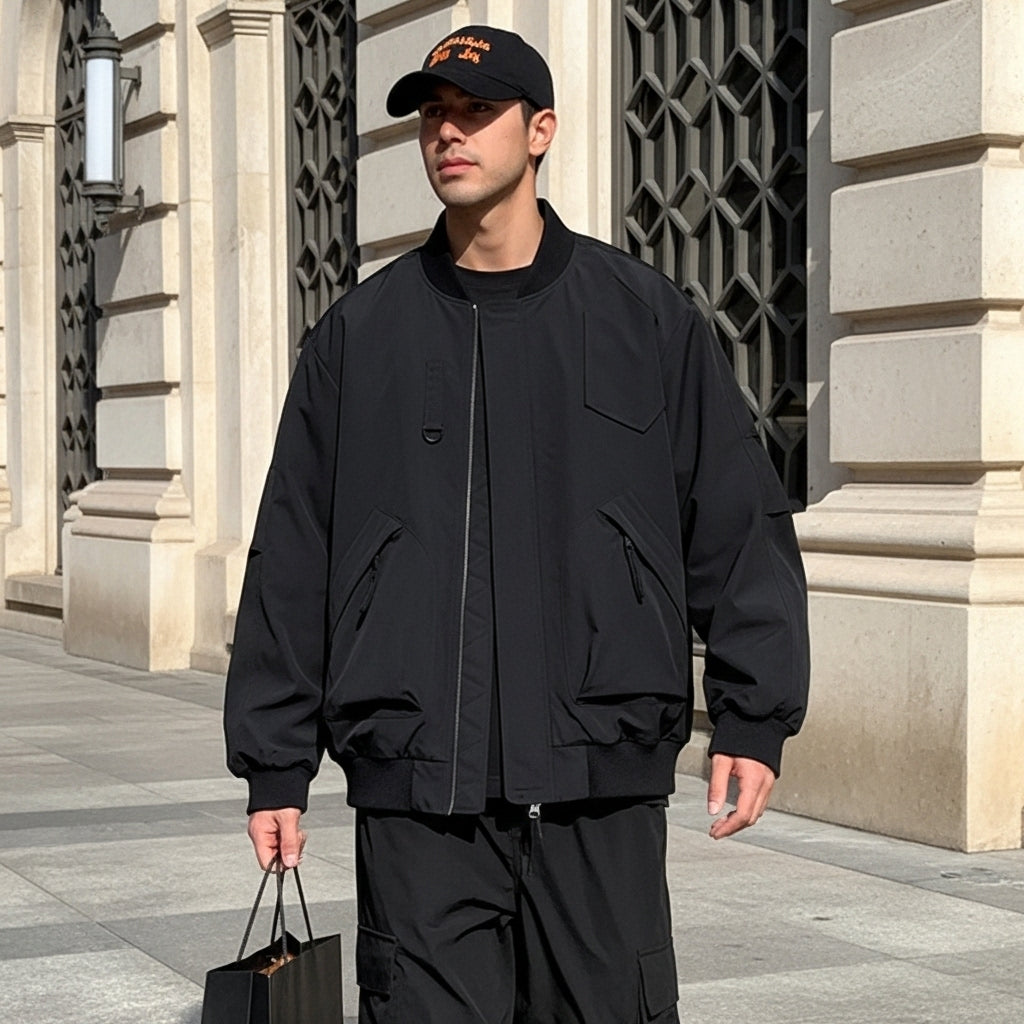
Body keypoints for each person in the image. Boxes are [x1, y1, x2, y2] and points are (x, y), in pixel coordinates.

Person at [224, 25, 809, 1024]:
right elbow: (294, 552)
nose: (446, 134)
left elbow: (734, 519)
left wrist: (753, 714)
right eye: (432, 115)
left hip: (599, 777)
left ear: (539, 130)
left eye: (475, 112)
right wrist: (275, 759)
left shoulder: (642, 319)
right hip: (419, 793)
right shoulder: (359, 338)